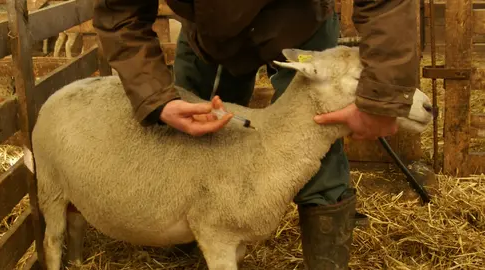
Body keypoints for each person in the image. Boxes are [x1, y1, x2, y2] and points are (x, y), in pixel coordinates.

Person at [92, 0, 419, 268]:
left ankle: (326, 259)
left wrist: (383, 95)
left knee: (313, 129)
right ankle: (194, 244)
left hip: (298, 22)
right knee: (193, 135)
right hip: (209, 35)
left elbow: (385, 4)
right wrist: (157, 99)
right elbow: (120, 14)